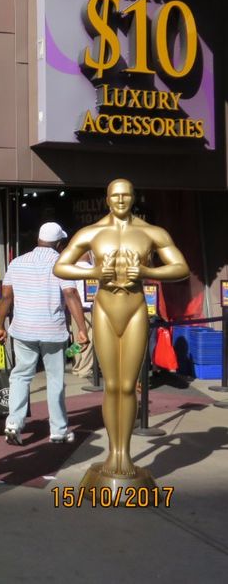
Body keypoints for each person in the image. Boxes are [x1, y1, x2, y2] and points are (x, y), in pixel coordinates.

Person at [54, 179, 189, 477]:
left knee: (127, 386)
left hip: (135, 309)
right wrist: (93, 271)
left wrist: (146, 271)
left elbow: (180, 268)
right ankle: (112, 453)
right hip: (104, 308)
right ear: (107, 198)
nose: (120, 200)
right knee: (111, 386)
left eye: (126, 195)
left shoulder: (151, 233)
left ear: (134, 197)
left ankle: (123, 454)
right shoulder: (92, 233)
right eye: (115, 195)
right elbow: (61, 266)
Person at [0, 222, 88, 447]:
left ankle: (14, 423)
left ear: (38, 240)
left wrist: (0, 325)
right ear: (58, 243)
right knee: (55, 378)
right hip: (52, 331)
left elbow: (6, 296)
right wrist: (82, 328)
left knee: (20, 375)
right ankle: (58, 430)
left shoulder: (17, 262)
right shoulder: (60, 263)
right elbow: (70, 294)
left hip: (23, 329)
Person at [71, 252, 96, 378]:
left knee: (77, 339)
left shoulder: (71, 268)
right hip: (89, 309)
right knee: (89, 340)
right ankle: (84, 369)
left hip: (75, 309)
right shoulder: (93, 269)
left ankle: (76, 366)